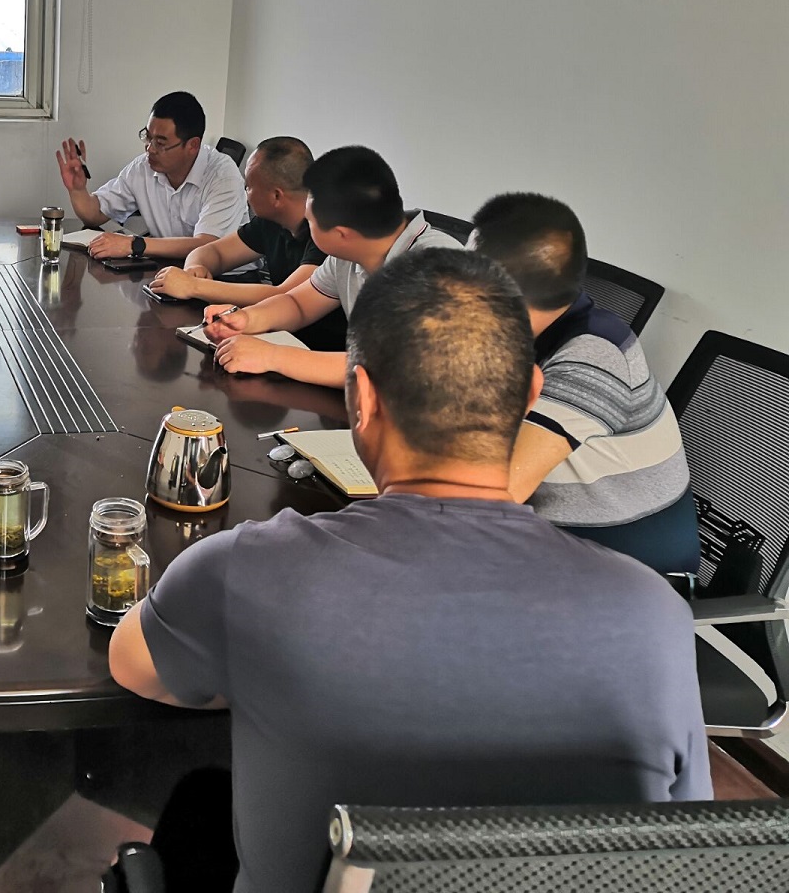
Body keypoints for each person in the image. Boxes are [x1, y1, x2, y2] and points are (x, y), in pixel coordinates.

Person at [109, 248, 710, 892]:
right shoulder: (654, 615)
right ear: (531, 393)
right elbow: (679, 845)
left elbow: (132, 665)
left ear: (363, 397)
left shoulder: (244, 570)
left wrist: (272, 668)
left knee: (201, 801)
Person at [470, 192, 697, 572]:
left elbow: (492, 498)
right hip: (549, 544)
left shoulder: (594, 358)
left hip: (628, 576)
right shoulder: (522, 336)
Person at [202, 145, 461, 384]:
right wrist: (246, 319)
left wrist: (273, 356)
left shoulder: (438, 270)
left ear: (341, 234)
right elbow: (298, 304)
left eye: (310, 221)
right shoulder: (350, 252)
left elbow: (388, 370)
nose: (305, 223)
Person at [148, 136, 348, 350]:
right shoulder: (271, 222)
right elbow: (214, 252)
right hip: (283, 337)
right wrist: (195, 270)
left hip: (322, 351)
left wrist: (195, 286)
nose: (245, 194)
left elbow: (286, 295)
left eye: (249, 187)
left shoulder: (327, 237)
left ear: (276, 196)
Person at [55, 91, 247, 262]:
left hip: (227, 279)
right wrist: (78, 190)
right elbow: (94, 214)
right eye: (147, 137)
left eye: (160, 143)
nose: (150, 148)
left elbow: (205, 247)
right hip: (170, 269)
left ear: (192, 145)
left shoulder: (223, 176)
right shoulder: (143, 167)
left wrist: (134, 244)